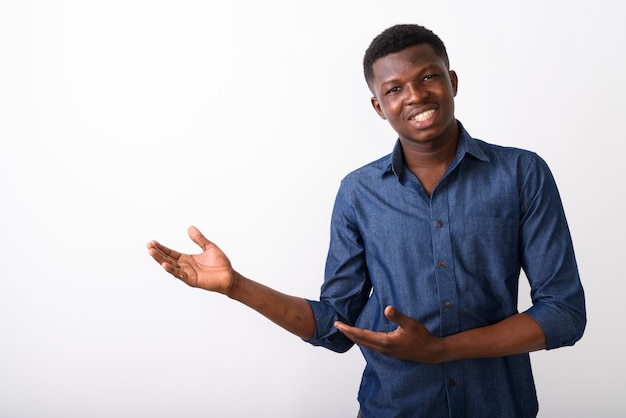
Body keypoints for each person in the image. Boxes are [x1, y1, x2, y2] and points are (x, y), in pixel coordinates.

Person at [147, 23, 586, 417]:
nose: (415, 96)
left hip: (499, 407)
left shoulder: (521, 173)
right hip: (395, 408)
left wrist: (441, 350)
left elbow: (564, 313)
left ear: (451, 81)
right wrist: (236, 286)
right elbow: (337, 326)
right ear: (378, 106)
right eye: (394, 89)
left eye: (428, 76)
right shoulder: (358, 194)